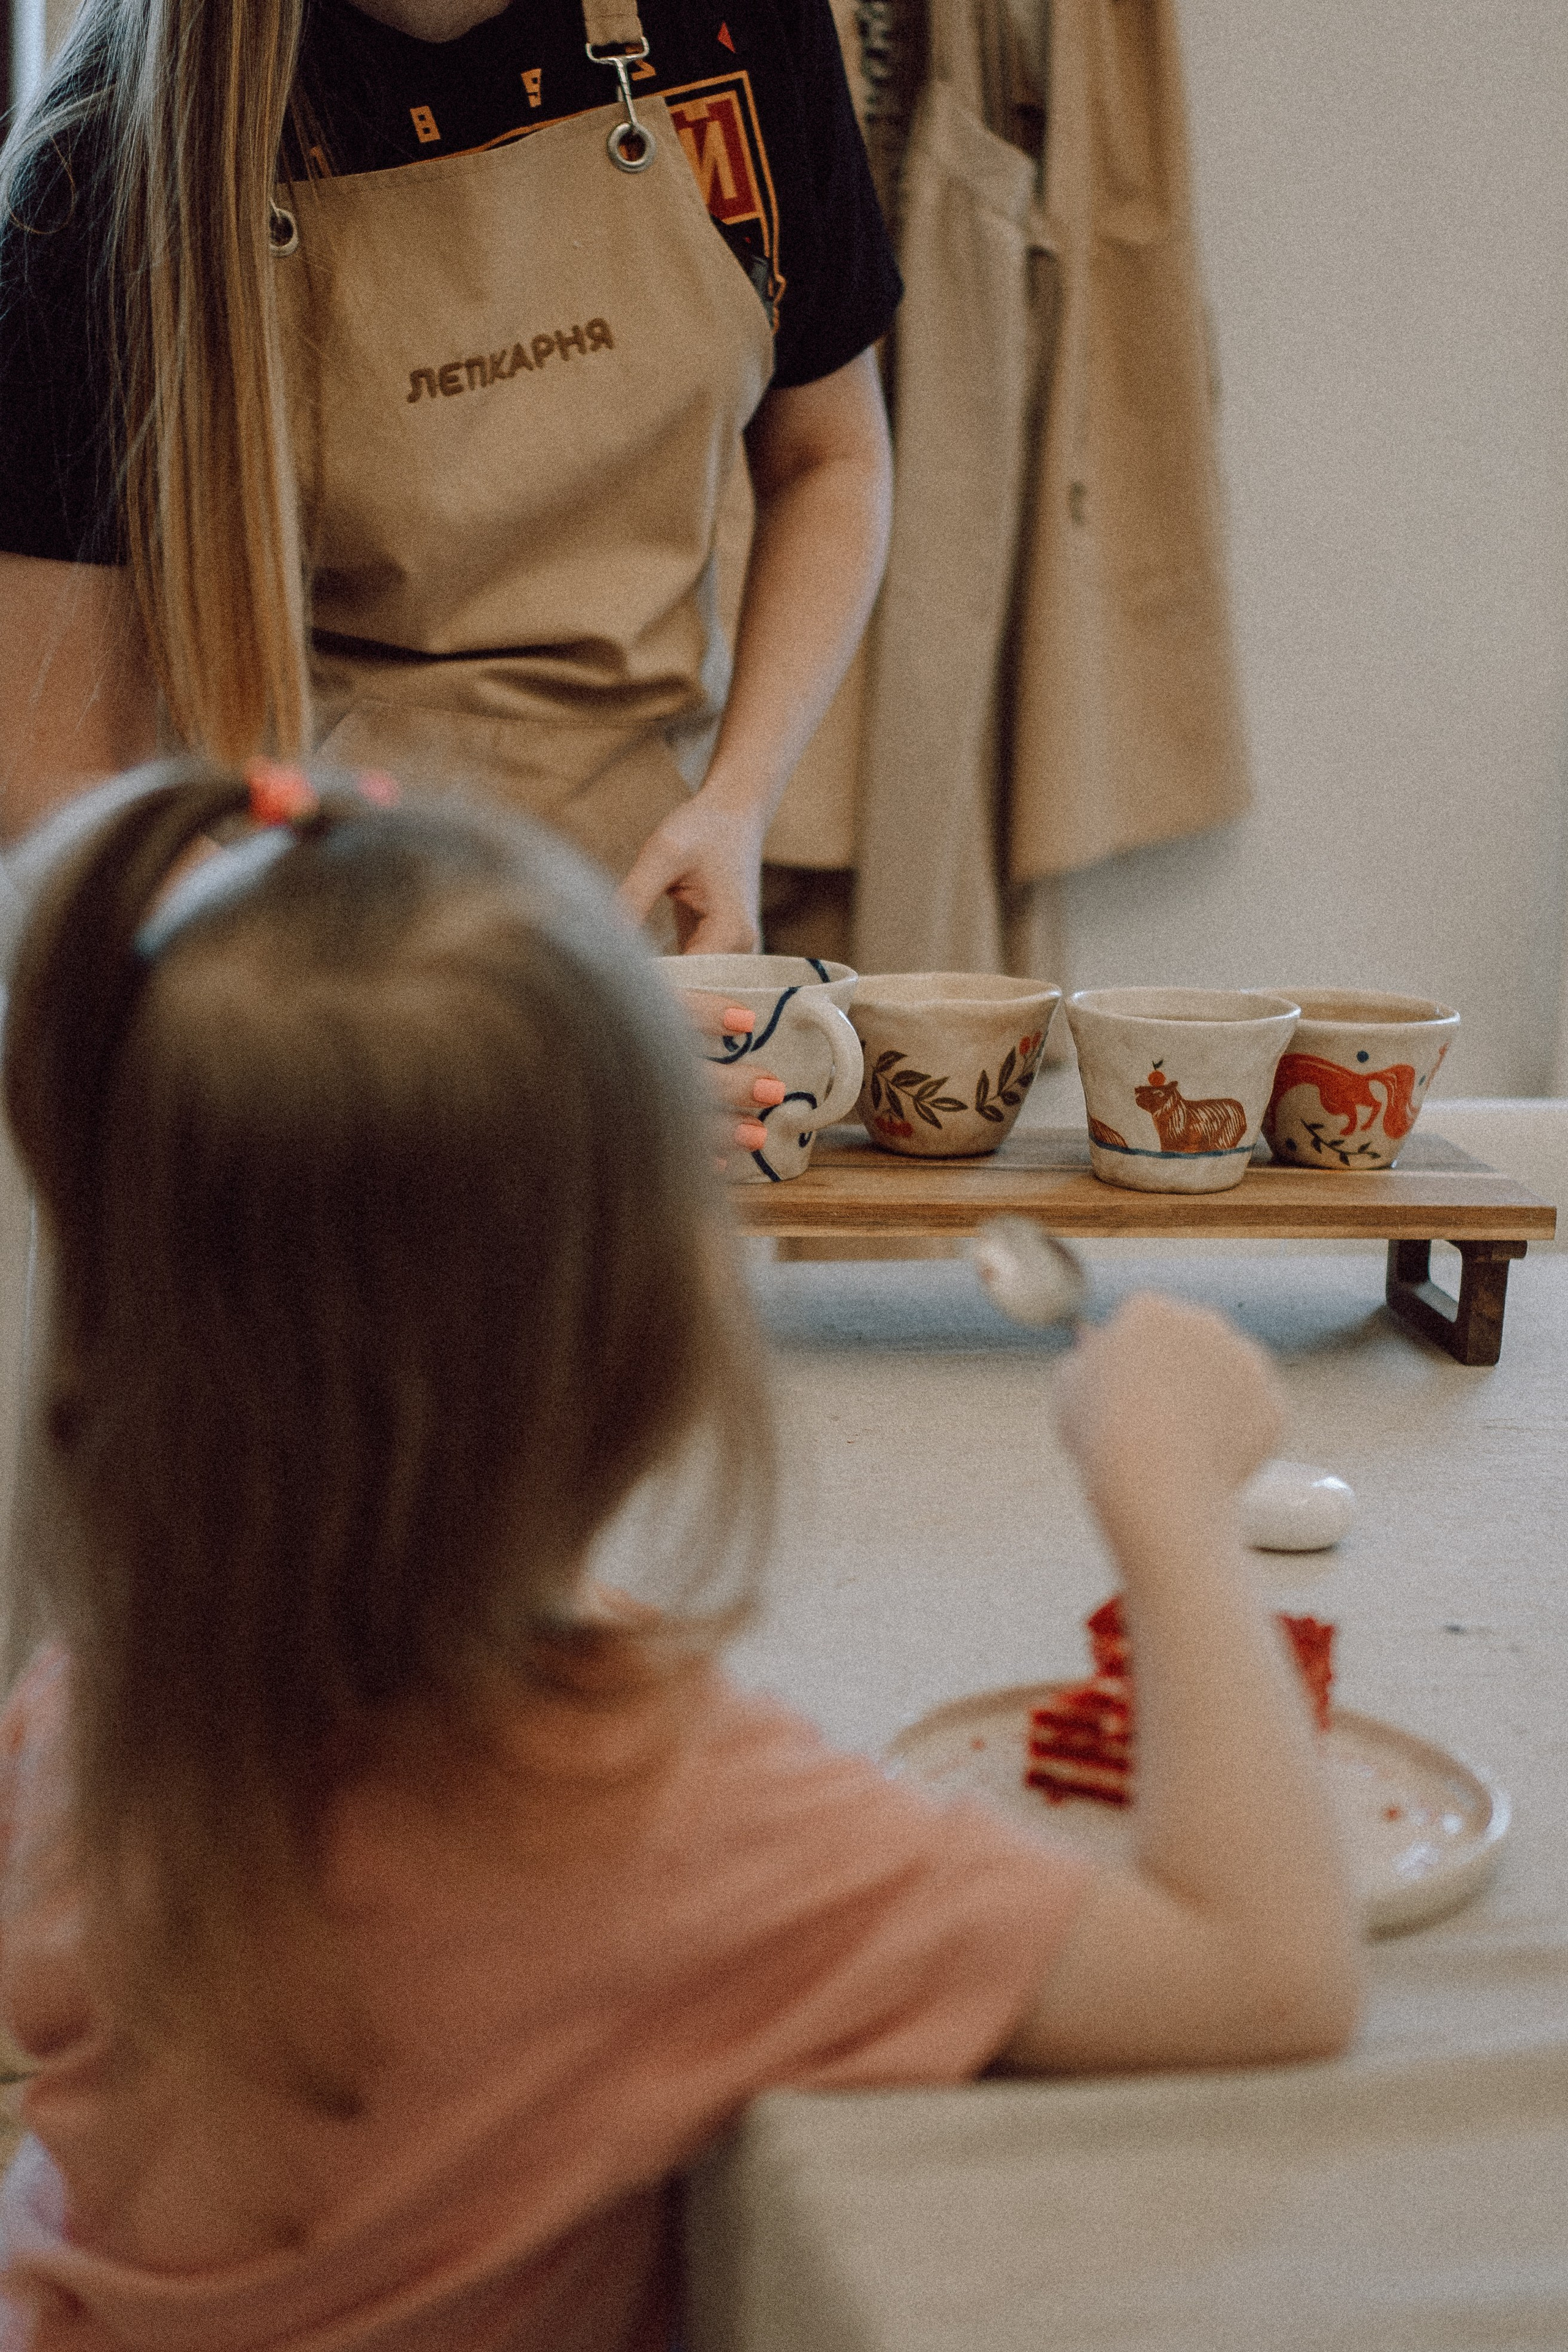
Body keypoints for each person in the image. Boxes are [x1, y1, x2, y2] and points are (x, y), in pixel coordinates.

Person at [0, 762, 1360, 2351]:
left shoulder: (90, 1708)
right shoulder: (645, 1816)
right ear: (649, 1334)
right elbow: (1265, 1976)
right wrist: (1169, 1499)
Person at [0, 0, 897, 965]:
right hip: (283, 933)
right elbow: (45, 763)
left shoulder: (732, 27)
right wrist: (272, 999)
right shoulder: (99, 157)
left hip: (630, 903)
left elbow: (826, 458)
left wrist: (738, 803)